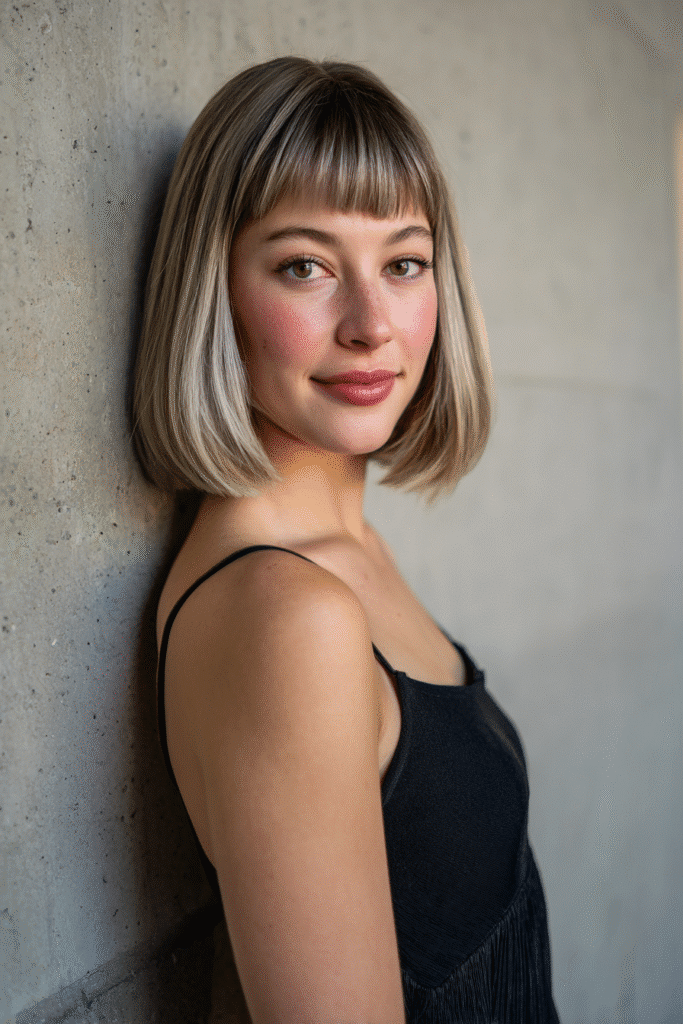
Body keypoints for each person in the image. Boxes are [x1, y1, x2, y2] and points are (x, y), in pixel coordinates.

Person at [132, 56, 560, 1023]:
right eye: (305, 267)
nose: (371, 325)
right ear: (215, 292)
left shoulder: (348, 552)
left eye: (402, 263)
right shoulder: (287, 615)